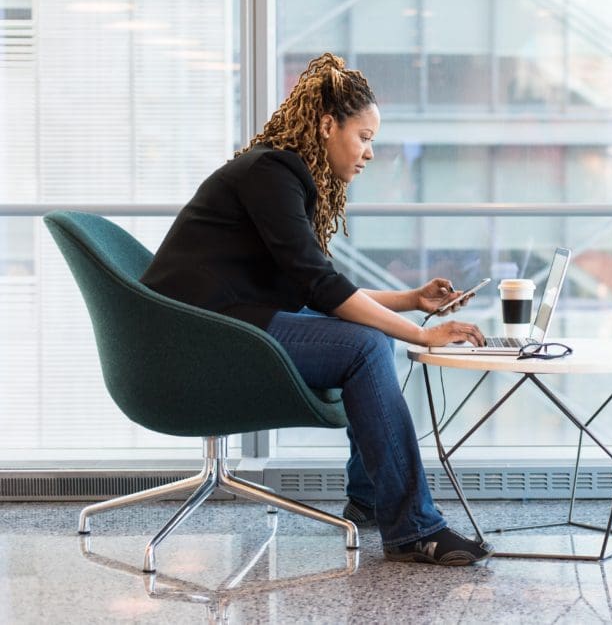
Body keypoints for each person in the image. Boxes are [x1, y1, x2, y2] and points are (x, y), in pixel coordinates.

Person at [141, 52, 493, 566]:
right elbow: (322, 286)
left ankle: (372, 500)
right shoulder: (272, 172)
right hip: (197, 337)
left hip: (218, 324)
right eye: (365, 137)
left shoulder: (278, 174)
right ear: (328, 125)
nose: (370, 152)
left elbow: (318, 286)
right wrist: (420, 333)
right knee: (368, 343)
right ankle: (414, 527)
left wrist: (412, 302)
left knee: (369, 336)